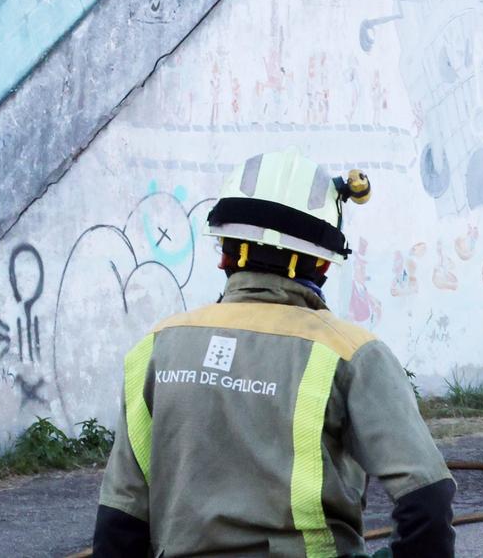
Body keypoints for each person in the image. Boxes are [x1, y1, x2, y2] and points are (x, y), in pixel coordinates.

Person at [93, 149, 456, 557]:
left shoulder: (157, 347)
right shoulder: (351, 354)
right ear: (322, 265)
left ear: (225, 252)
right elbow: (427, 503)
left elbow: (119, 524)